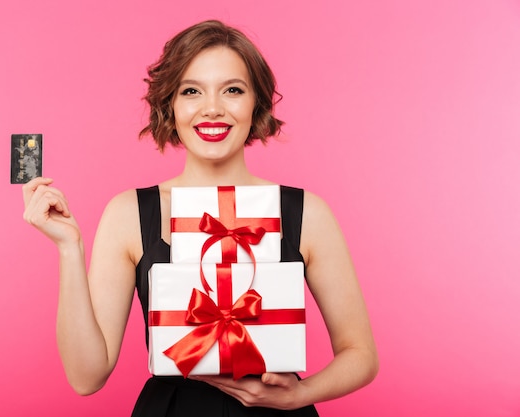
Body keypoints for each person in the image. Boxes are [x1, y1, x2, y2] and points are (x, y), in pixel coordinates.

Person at [22, 20, 378, 417]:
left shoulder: (305, 212)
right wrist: (68, 248)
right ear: (169, 106)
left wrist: (300, 394)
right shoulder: (129, 214)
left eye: (233, 90)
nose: (212, 107)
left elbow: (360, 354)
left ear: (256, 104)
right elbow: (86, 378)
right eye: (192, 91)